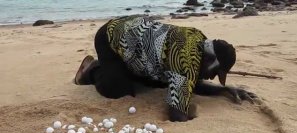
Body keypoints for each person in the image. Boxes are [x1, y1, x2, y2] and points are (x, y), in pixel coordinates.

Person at [74, 15, 256, 122]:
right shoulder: (185, 60)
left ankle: (123, 70)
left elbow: (192, 83)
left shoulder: (200, 40)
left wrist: (224, 90)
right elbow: (176, 114)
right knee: (117, 90)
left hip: (136, 44)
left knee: (157, 83)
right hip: (110, 37)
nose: (212, 77)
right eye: (215, 72)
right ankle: (92, 70)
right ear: (209, 59)